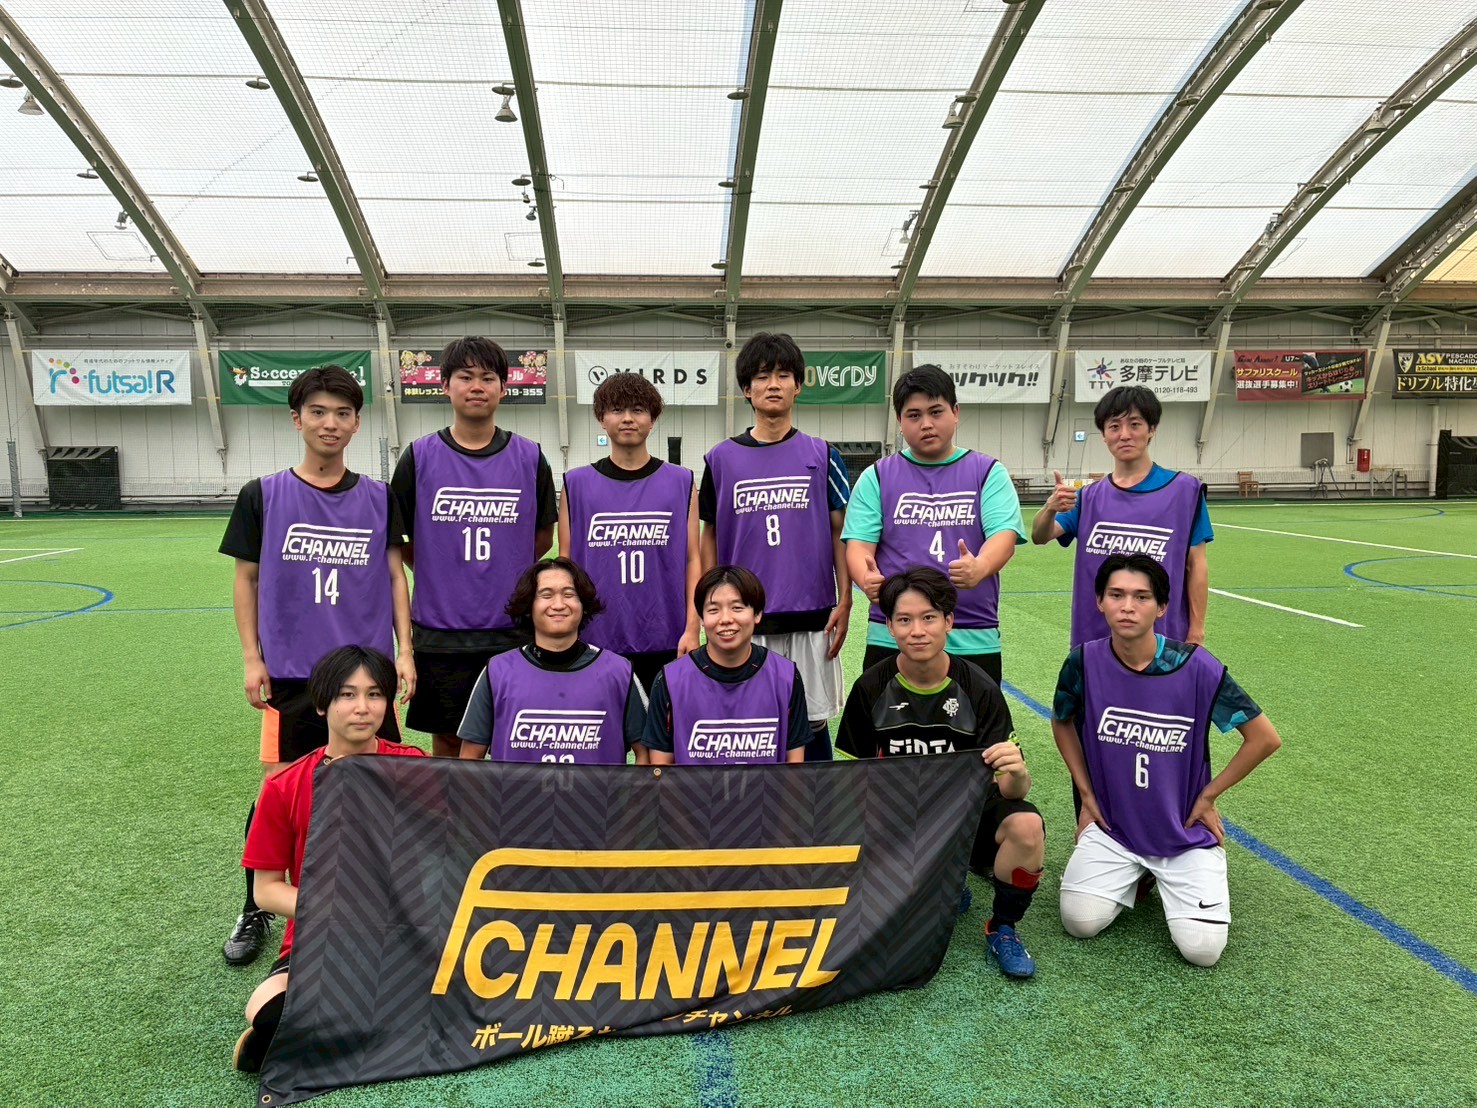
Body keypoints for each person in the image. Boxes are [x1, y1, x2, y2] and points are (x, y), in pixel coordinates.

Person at [218, 364, 414, 967]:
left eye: (343, 413)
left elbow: (394, 576)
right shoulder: (263, 493)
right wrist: (251, 657)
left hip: (364, 677)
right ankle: (256, 904)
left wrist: (404, 650)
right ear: (296, 419)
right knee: (279, 789)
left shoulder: (379, 496)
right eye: (319, 412)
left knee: (379, 786)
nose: (331, 423)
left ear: (357, 423)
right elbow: (247, 579)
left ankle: (387, 904)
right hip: (292, 673)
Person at [1051, 553, 1281, 967]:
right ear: (1099, 601)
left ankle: (1181, 872)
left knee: (1202, 951)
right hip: (1116, 828)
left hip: (1183, 830)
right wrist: (1085, 794)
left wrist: (1208, 796)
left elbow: (1264, 738)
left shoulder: (1195, 666)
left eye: (1141, 597)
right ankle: (1139, 873)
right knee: (1079, 921)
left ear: (1161, 607)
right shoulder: (1083, 661)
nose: (1127, 606)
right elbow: (1061, 720)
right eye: (1116, 594)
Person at [836, 567, 1044, 979]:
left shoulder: (978, 688)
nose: (917, 631)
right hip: (900, 825)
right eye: (904, 619)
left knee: (1026, 826)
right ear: (889, 627)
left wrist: (1018, 771)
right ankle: (939, 881)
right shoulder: (871, 687)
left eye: (929, 617)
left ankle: (1003, 927)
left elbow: (1011, 789)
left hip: (966, 822)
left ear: (949, 621)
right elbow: (852, 779)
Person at [232, 645, 425, 1072]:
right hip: (321, 936)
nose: (362, 708)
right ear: (321, 704)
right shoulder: (284, 785)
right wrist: (342, 909)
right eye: (346, 695)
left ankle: (312, 1038)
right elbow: (266, 891)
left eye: (375, 694)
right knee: (265, 1008)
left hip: (406, 933)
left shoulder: (417, 769)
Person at [391, 337, 557, 757]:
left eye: (488, 377)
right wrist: (437, 568)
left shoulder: (530, 456)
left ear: (504, 387)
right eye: (465, 377)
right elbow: (399, 538)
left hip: (510, 630)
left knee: (513, 739)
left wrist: (507, 569)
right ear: (445, 385)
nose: (477, 386)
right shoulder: (418, 456)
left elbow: (543, 536)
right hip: (440, 633)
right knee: (448, 740)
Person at [698, 332, 851, 760]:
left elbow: (840, 533)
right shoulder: (720, 459)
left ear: (798, 385)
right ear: (747, 389)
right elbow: (709, 534)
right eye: (763, 376)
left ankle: (816, 803)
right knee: (749, 724)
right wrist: (711, 601)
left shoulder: (823, 454)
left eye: (784, 375)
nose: (773, 384)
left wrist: (846, 598)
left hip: (811, 613)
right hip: (745, 616)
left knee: (812, 723)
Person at [845, 365, 1025, 685]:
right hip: (894, 635)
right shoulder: (877, 476)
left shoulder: (988, 472)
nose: (926, 424)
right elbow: (859, 545)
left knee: (977, 718)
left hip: (973, 634)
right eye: (914, 415)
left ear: (955, 412)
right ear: (899, 421)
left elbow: (1004, 536)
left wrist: (981, 566)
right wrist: (866, 577)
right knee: (884, 718)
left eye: (936, 412)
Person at [1030, 384, 1212, 647]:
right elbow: (1040, 535)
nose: (1124, 435)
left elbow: (1196, 565)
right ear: (1104, 435)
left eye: (1135, 424)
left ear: (1152, 429)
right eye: (1114, 426)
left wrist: (1196, 631)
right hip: (1094, 638)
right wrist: (1050, 508)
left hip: (1162, 639)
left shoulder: (1185, 491)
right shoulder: (1088, 497)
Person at [558, 372, 700, 692]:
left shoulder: (682, 482)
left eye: (637, 410)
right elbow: (565, 567)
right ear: (601, 419)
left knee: (663, 724)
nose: (627, 418)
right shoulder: (576, 484)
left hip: (667, 636)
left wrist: (693, 626)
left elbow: (693, 560)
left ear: (653, 419)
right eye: (617, 410)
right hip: (595, 638)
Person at [457, 558, 647, 763]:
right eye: (546, 595)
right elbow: (469, 760)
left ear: (583, 605)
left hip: (597, 788)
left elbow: (646, 755)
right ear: (529, 607)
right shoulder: (497, 672)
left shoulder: (619, 672)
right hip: (517, 787)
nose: (558, 605)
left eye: (569, 594)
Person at [644, 566, 810, 765]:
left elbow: (795, 772)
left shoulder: (786, 677)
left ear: (757, 614)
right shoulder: (670, 681)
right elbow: (660, 773)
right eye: (713, 610)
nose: (725, 619)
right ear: (702, 618)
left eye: (737, 608)